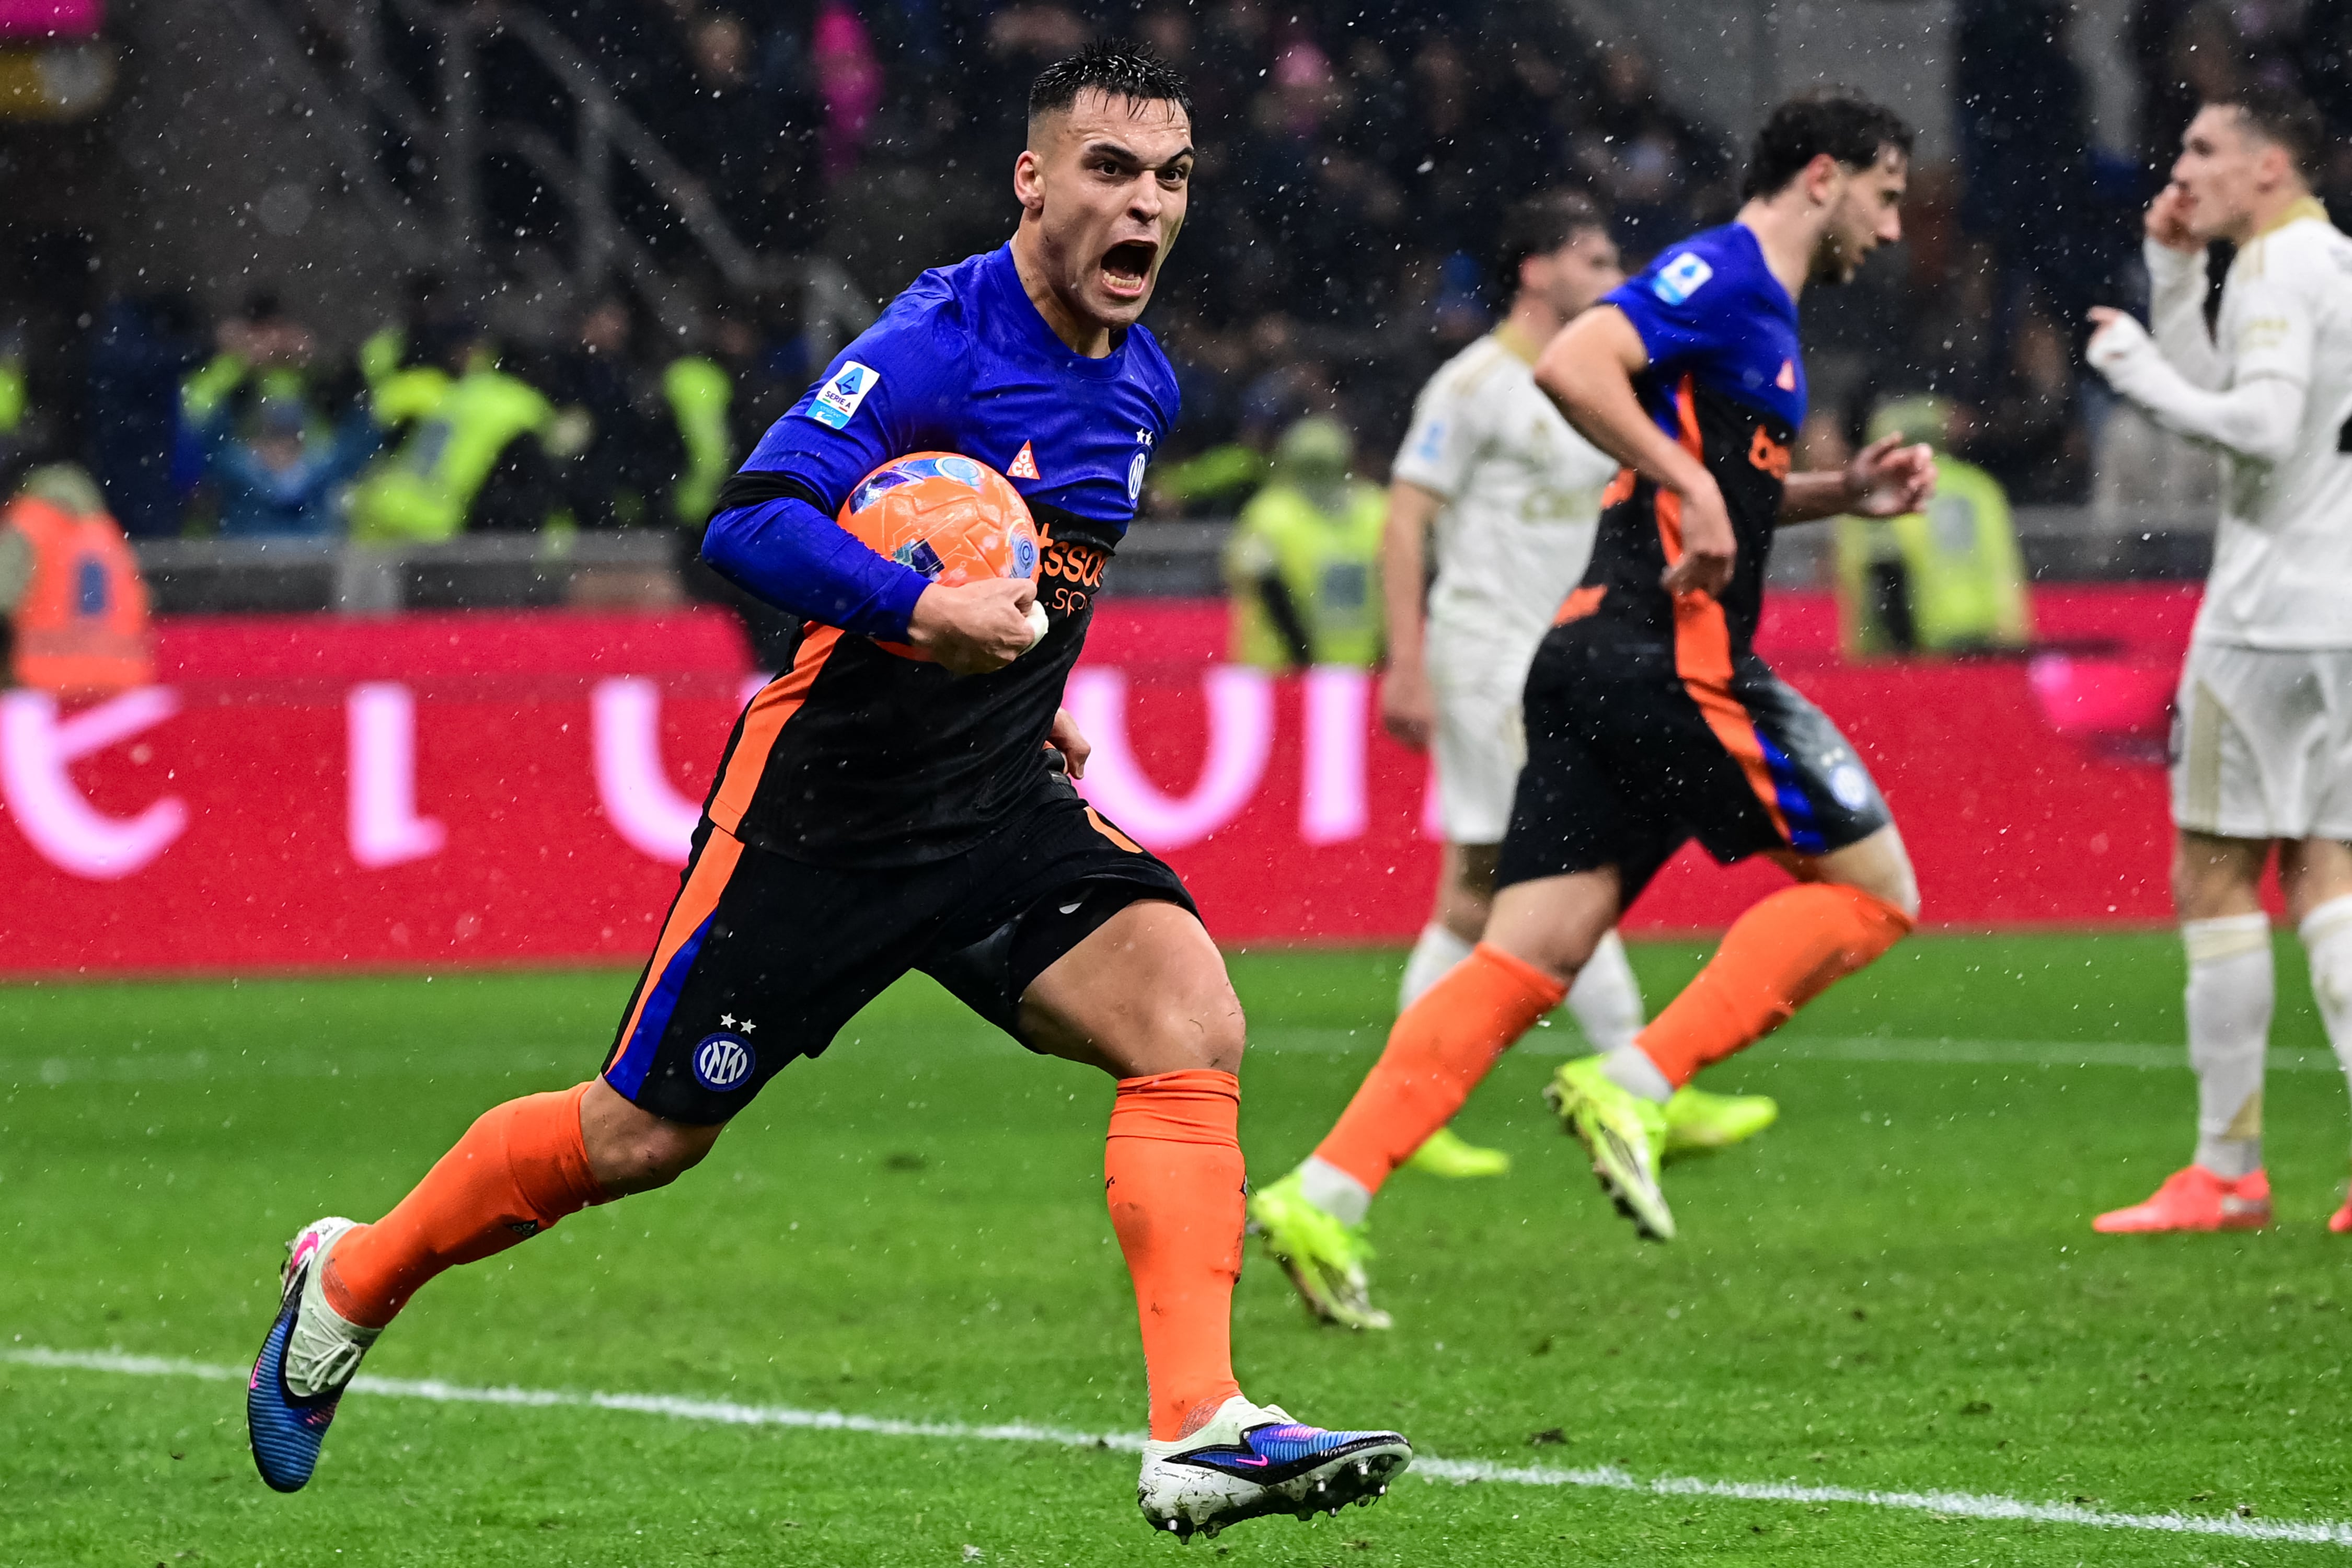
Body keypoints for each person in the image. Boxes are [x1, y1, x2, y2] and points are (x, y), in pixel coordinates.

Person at [244, 44, 1411, 1540]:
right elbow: (748, 522)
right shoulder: (935, 344)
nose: (1146, 205)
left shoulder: (1142, 384)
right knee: (638, 1137)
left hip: (991, 806)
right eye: (1111, 170)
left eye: (1172, 177)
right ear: (1032, 179)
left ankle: (1198, 1425)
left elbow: (1034, 577)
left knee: (1189, 1024)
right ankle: (350, 1278)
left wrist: (1028, 694)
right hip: (825, 815)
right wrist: (917, 613)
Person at [1246, 93, 1936, 1327]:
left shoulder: (1755, 317)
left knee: (1523, 958)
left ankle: (1324, 1191)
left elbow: (1717, 487)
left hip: (1586, 655)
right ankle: (1640, 1079)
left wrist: (1839, 492)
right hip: (1666, 650)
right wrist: (1690, 485)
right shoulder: (1725, 274)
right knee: (1876, 890)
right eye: (1884, 198)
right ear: (1823, 177)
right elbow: (1574, 365)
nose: (1890, 230)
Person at [2083, 87, 2352, 1235]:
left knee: (2215, 872)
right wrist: (2175, 274)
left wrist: (2131, 370)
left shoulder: (2282, 270)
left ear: (2270, 165)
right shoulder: (2329, 261)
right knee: (2330, 877)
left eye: (2205, 150)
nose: (2182, 169)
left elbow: (2257, 427)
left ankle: (2228, 1171)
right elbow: (2233, 395)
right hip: (2339, 606)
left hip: (2264, 619)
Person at [1832, 395, 2033, 658]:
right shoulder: (1978, 486)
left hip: (1920, 642)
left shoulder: (1879, 493)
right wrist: (2013, 629)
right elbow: (2003, 563)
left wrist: (1880, 649)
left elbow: (1882, 578)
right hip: (1985, 632)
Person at [1223, 413, 1386, 671]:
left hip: (1280, 673)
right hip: (1359, 671)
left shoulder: (1269, 513)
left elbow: (1257, 584)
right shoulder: (1377, 508)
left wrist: (1306, 662)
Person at [0, 463, 154, 695]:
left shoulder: (30, 523)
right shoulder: (107, 532)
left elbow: (5, 596)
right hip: (120, 683)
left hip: (45, 682)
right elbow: (142, 601)